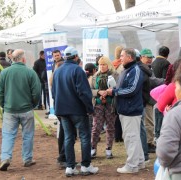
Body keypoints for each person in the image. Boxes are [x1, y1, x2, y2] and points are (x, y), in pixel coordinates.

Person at [52, 46, 98, 177]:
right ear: (76, 56)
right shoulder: (78, 70)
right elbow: (84, 92)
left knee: (68, 137)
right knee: (84, 137)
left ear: (65, 57)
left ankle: (70, 167)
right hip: (77, 110)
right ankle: (85, 165)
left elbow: (54, 93)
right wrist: (90, 108)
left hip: (62, 110)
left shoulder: (58, 71)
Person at [0, 49, 41, 171]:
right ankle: (27, 159)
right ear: (23, 59)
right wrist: (33, 104)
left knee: (8, 135)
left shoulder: (4, 73)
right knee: (28, 135)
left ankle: (5, 157)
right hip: (26, 109)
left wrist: (4, 105)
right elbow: (37, 92)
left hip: (10, 110)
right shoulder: (30, 72)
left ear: (12, 58)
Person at [106, 48, 145, 174]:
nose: (120, 58)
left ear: (130, 57)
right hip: (125, 109)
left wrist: (115, 92)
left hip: (131, 110)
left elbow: (132, 90)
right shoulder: (127, 70)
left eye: (122, 56)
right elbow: (123, 87)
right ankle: (139, 161)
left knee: (131, 137)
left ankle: (132, 165)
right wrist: (113, 90)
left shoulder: (135, 70)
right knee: (133, 137)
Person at [90, 56, 118, 159]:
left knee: (110, 128)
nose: (101, 67)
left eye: (104, 64)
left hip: (110, 105)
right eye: (100, 65)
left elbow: (118, 88)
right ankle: (92, 148)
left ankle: (108, 149)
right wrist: (98, 92)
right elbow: (90, 90)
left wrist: (109, 92)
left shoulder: (115, 75)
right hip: (98, 105)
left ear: (108, 65)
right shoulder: (94, 77)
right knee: (96, 127)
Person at [112, 45, 124, 143]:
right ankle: (120, 135)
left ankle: (117, 135)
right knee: (120, 114)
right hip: (120, 90)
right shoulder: (123, 65)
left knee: (115, 115)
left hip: (112, 90)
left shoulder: (112, 64)